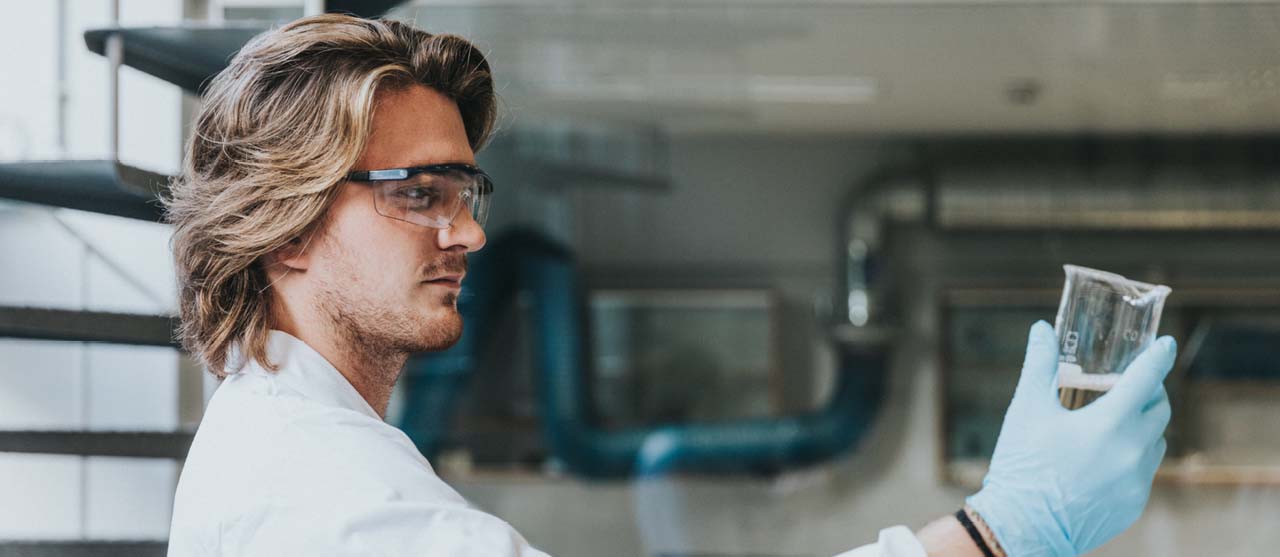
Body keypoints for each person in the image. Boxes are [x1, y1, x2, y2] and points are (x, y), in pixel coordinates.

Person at [164, 14, 1177, 557]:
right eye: (417, 191)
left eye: (466, 188)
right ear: (284, 225)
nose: (468, 229)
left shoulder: (309, 445)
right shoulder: (327, 501)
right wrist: (997, 532)